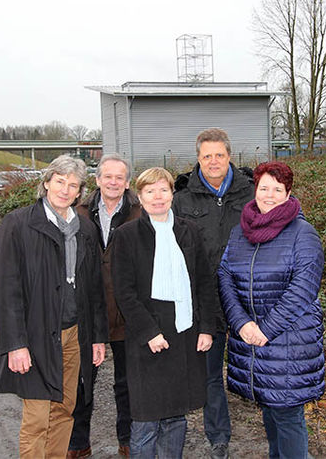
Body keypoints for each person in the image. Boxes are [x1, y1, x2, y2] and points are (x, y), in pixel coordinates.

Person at [0, 154, 108, 458]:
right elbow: (6, 290)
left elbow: (94, 289)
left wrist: (97, 336)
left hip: (74, 335)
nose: (65, 190)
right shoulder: (18, 225)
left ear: (80, 192)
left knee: (65, 410)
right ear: (47, 183)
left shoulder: (84, 229)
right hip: (36, 336)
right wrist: (15, 344)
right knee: (37, 417)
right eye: (59, 182)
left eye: (73, 185)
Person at [218, 161, 325, 459]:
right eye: (264, 188)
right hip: (251, 339)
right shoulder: (240, 231)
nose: (269, 195)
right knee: (270, 409)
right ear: (255, 190)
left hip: (288, 341)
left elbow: (303, 289)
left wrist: (266, 329)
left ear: (288, 193)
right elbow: (225, 275)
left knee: (288, 416)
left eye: (277, 189)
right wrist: (240, 323)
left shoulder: (303, 234)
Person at [112, 167, 220, 458]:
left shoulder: (189, 230)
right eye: (150, 191)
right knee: (146, 417)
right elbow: (125, 292)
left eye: (163, 190)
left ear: (173, 193)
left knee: (175, 416)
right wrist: (150, 332)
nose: (157, 197)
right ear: (139, 196)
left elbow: (204, 282)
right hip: (147, 335)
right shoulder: (126, 236)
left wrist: (207, 327)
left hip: (184, 331)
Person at [171, 127, 254, 459]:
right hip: (205, 302)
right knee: (209, 374)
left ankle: (277, 428)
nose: (213, 161)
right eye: (207, 156)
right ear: (198, 159)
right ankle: (218, 438)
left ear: (230, 156)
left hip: (247, 300)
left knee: (261, 371)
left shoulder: (251, 193)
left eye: (219, 154)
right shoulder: (182, 199)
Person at [68, 154, 141, 458]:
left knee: (127, 383)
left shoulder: (140, 212)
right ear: (97, 180)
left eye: (119, 177)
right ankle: (78, 442)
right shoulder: (77, 213)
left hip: (127, 311)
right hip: (88, 312)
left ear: (127, 182)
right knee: (82, 382)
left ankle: (127, 439)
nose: (113, 182)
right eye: (107, 176)